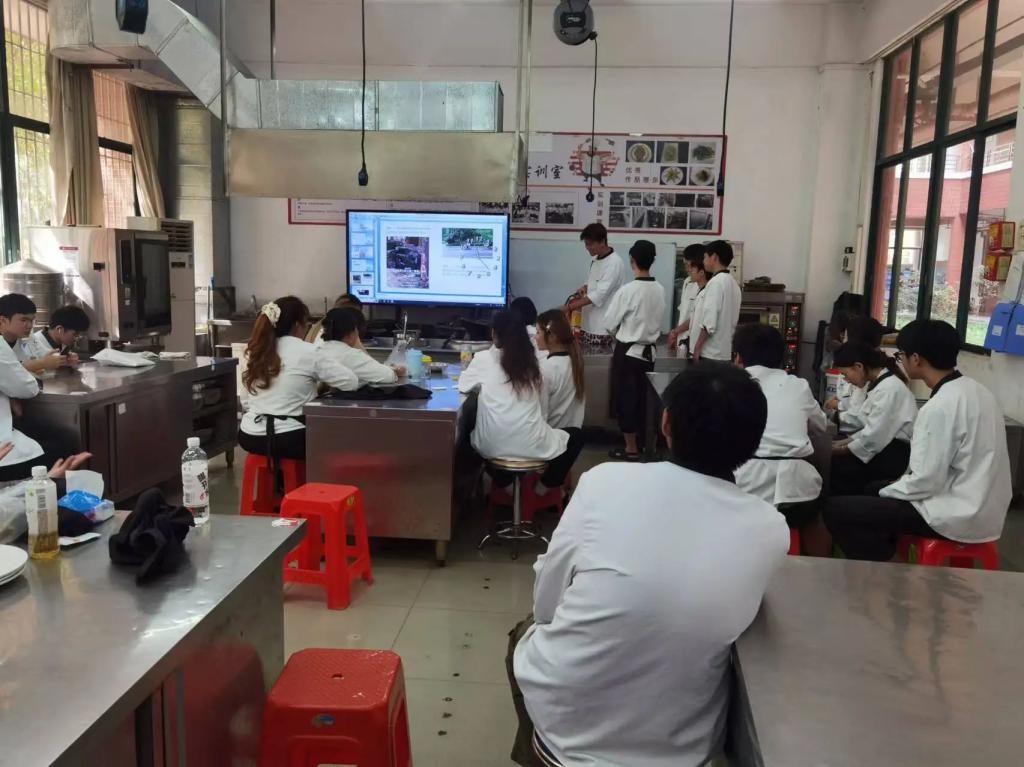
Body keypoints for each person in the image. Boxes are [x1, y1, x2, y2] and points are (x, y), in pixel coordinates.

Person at [507, 363, 788, 767]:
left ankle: (539, 751)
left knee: (522, 635)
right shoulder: (770, 528)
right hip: (682, 749)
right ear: (754, 441)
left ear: (666, 422)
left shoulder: (605, 481)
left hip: (569, 735)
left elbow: (546, 602)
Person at [824, 320, 1012, 562]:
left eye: (901, 355)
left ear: (916, 359)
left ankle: (883, 570)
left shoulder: (939, 407)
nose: (899, 361)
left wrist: (888, 489)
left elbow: (925, 481)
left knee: (835, 509)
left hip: (954, 513)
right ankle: (891, 553)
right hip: (985, 508)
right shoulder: (979, 392)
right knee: (873, 490)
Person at [458, 311, 584, 496]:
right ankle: (541, 489)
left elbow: (463, 385)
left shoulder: (483, 358)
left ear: (494, 334)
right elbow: (541, 408)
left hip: (492, 447)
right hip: (532, 443)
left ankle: (508, 487)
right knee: (576, 436)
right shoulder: (534, 363)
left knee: (470, 435)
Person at [732, 323, 831, 556]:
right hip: (798, 490)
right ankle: (821, 569)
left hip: (745, 487)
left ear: (738, 357)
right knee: (815, 517)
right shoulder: (798, 385)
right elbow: (821, 427)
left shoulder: (730, 386)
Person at [239, 296, 359, 462]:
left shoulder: (256, 351)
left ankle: (280, 478)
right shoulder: (308, 351)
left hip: (249, 435)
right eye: (306, 324)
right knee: (344, 437)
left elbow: (245, 401)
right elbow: (350, 382)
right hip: (290, 438)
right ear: (297, 325)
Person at [603, 240, 666, 460]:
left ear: (632, 261)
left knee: (626, 399)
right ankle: (645, 445)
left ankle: (631, 449)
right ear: (653, 261)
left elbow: (609, 323)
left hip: (628, 353)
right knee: (645, 401)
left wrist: (620, 330)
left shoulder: (627, 291)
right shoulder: (660, 289)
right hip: (650, 353)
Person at [829, 342, 916, 496]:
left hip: (894, 454)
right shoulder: (878, 384)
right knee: (834, 456)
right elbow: (868, 426)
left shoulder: (889, 389)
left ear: (858, 366)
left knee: (837, 466)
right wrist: (842, 443)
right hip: (883, 446)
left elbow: (874, 436)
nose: (846, 380)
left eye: (845, 374)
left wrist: (840, 450)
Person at [563, 223, 628, 348]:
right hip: (587, 325)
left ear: (602, 241)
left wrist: (569, 307)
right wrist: (584, 288)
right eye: (586, 244)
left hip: (602, 329)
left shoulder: (614, 263)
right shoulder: (595, 259)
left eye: (590, 244)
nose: (587, 248)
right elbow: (592, 283)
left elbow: (599, 295)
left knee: (597, 359)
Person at [823, 315, 885, 433]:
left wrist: (837, 410)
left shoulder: (867, 374)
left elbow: (860, 419)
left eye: (845, 336)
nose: (843, 339)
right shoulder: (857, 367)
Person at [317, 306, 406, 386]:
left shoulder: (319, 348)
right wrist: (395, 372)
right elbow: (387, 376)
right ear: (350, 333)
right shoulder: (349, 354)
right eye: (356, 329)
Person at [535, 309, 585, 432]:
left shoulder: (545, 369)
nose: (535, 337)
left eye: (538, 332)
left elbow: (540, 415)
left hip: (553, 436)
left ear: (552, 336)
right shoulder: (574, 360)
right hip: (574, 435)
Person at [692, 240, 741, 362]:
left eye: (705, 257)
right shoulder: (734, 283)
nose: (703, 261)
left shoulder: (716, 282)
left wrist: (697, 348)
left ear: (714, 257)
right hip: (725, 353)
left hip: (711, 354)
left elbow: (709, 322)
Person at [0, 294, 68, 375]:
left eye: (31, 320)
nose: (29, 326)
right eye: (24, 320)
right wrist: (39, 364)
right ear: (3, 321)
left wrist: (64, 358)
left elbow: (45, 355)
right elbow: (5, 372)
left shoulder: (29, 338)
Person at [666, 243, 708, 353]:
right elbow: (683, 313)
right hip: (681, 340)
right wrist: (675, 333)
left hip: (694, 341)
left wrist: (676, 331)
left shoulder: (707, 287)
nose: (687, 269)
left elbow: (697, 318)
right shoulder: (687, 282)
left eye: (688, 265)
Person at [25, 305, 90, 366]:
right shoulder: (31, 345)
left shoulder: (63, 343)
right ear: (59, 329)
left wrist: (69, 360)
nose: (77, 338)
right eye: (75, 334)